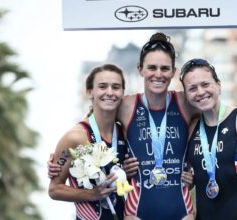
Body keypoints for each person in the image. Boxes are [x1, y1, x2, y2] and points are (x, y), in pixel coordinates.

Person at [49, 33, 196, 220]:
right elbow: (95, 120)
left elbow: (210, 123)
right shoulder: (126, 106)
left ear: (173, 72)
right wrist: (58, 161)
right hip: (136, 213)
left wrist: (193, 172)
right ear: (140, 69)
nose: (158, 74)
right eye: (152, 67)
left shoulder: (186, 103)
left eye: (164, 68)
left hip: (182, 210)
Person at [179, 58, 237, 220]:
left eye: (205, 84)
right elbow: (190, 176)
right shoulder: (190, 129)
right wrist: (189, 180)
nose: (200, 92)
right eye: (192, 88)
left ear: (219, 85)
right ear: (186, 96)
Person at [48, 64, 128, 220]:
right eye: (102, 86)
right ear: (90, 92)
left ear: (122, 92)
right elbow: (54, 189)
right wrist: (91, 194)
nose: (110, 92)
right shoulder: (75, 138)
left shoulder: (125, 134)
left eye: (116, 87)